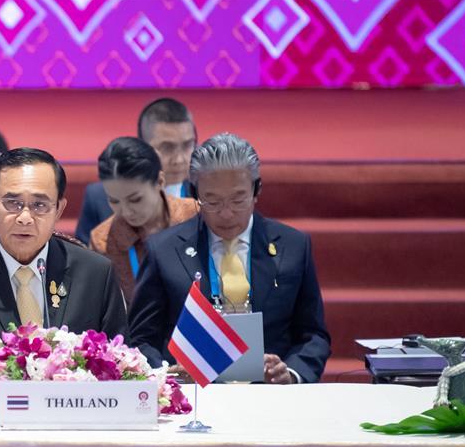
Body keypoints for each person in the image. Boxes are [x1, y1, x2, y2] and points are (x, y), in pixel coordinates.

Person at [128, 133, 330, 384]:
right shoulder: (164, 250)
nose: (226, 213)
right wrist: (168, 376)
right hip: (194, 397)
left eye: (238, 200)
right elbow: (141, 339)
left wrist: (290, 372)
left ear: (257, 190)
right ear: (195, 193)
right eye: (212, 201)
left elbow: (314, 335)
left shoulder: (293, 246)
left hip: (272, 395)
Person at [0, 148, 126, 355]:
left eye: (39, 205)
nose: (25, 218)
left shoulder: (96, 274)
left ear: (59, 210)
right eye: (13, 203)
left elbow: (117, 360)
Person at [91, 137, 199, 304]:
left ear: (160, 182)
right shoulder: (103, 241)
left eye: (135, 200)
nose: (125, 211)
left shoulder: (194, 215)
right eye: (114, 201)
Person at [76, 98, 197, 244]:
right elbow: (83, 257)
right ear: (143, 146)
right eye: (167, 148)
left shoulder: (204, 195)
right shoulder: (99, 197)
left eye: (187, 146)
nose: (179, 159)